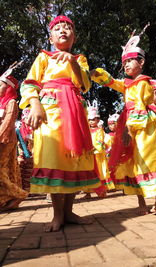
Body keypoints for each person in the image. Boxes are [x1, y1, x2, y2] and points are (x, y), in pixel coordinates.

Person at [19, 15, 102, 232]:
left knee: (72, 159)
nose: (63, 31)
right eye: (58, 28)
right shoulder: (44, 57)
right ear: (50, 37)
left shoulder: (80, 59)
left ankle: (69, 212)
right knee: (54, 159)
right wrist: (35, 104)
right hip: (50, 111)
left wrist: (73, 62)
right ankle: (58, 214)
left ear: (74, 37)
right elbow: (29, 84)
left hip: (75, 109)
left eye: (68, 28)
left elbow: (84, 85)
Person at [91, 25, 156, 214]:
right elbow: (113, 83)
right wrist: (98, 74)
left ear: (141, 62)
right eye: (124, 63)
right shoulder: (128, 84)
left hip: (141, 126)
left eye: (130, 62)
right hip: (129, 124)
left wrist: (127, 129)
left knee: (146, 159)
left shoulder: (143, 83)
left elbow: (141, 106)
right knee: (132, 161)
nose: (126, 66)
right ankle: (141, 201)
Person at [0, 73, 28, 211]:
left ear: (9, 88)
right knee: (9, 168)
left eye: (0, 85)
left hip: (5, 139)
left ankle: (19, 194)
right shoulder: (2, 103)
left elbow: (8, 122)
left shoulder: (11, 103)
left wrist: (1, 135)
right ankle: (7, 199)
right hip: (2, 138)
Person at [82, 101, 114, 199]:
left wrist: (97, 148)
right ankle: (87, 192)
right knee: (89, 171)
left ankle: (102, 191)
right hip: (89, 154)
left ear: (97, 119)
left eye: (93, 119)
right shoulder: (86, 130)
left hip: (98, 155)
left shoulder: (100, 130)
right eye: (89, 119)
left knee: (100, 172)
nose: (91, 121)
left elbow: (101, 140)